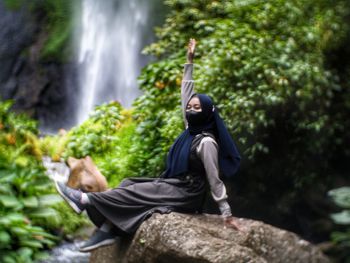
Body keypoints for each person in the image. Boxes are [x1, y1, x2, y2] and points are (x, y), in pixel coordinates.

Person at [55, 38, 241, 252]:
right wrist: (189, 62)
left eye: (197, 108)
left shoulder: (207, 142)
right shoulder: (191, 129)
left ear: (207, 113)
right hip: (175, 184)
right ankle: (108, 230)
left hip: (188, 193)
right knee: (127, 183)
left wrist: (226, 213)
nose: (190, 109)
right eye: (190, 107)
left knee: (140, 191)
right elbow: (186, 94)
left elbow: (214, 179)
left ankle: (84, 199)